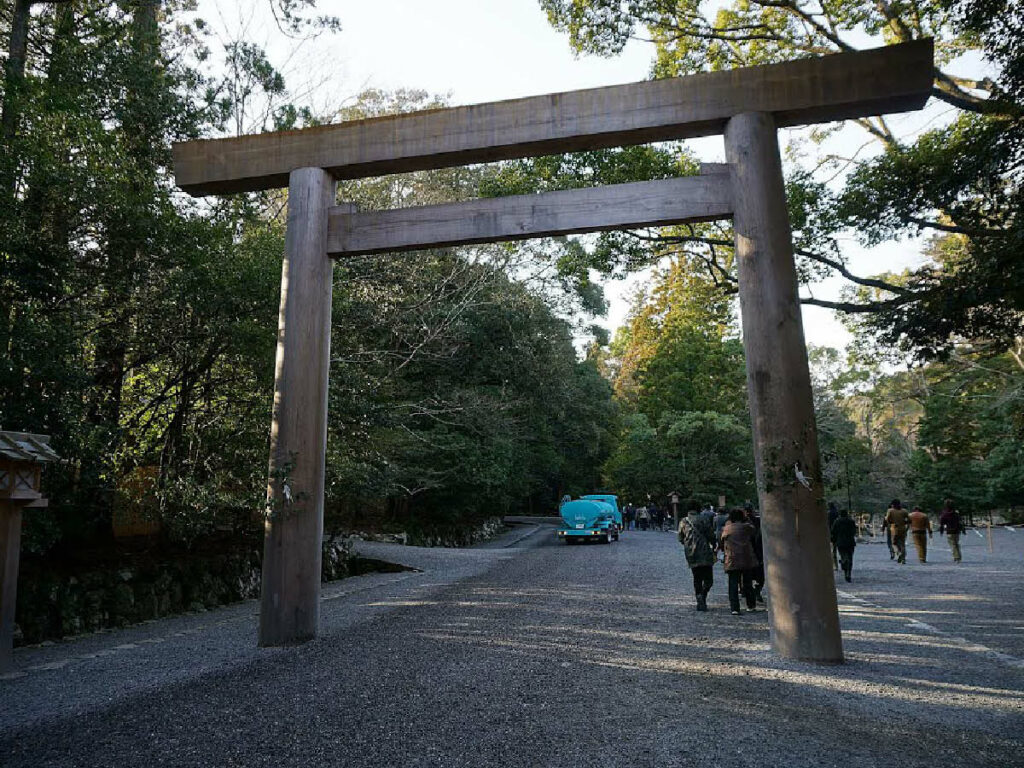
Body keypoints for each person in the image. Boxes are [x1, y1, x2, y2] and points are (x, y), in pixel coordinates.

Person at [678, 499, 716, 611]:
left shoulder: (683, 521)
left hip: (691, 552)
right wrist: (714, 545)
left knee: (697, 577)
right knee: (709, 578)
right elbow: (710, 535)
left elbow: (680, 538)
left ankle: (699, 598)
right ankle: (703, 595)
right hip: (704, 551)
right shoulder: (703, 519)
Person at [720, 508, 759, 615]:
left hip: (732, 558)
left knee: (733, 583)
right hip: (746, 558)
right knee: (747, 583)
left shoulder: (727, 529)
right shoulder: (747, 527)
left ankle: (734, 608)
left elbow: (721, 541)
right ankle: (751, 605)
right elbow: (754, 530)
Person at [744, 503, 765, 603]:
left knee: (747, 574)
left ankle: (749, 592)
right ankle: (757, 590)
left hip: (746, 551)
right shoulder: (758, 521)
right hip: (757, 551)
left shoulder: (741, 522)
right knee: (760, 574)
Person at [830, 508, 858, 582]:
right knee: (850, 557)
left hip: (841, 542)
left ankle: (844, 562)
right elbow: (854, 531)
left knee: (843, 555)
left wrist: (834, 539)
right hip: (850, 542)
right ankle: (848, 573)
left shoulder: (837, 521)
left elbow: (833, 531)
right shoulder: (851, 521)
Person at [885, 500, 910, 564]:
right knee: (902, 544)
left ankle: (899, 553)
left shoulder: (890, 511)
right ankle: (903, 559)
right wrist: (906, 526)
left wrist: (891, 523)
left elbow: (887, 519)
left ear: (893, 504)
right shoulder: (904, 511)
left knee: (894, 543)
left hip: (894, 528)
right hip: (903, 528)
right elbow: (909, 520)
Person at [939, 498, 963, 563]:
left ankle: (956, 557)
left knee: (953, 544)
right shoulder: (956, 513)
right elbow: (960, 522)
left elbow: (942, 523)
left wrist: (941, 531)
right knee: (956, 543)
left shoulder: (944, 514)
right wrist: (962, 530)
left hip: (949, 531)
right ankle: (959, 556)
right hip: (957, 530)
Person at [827, 501, 840, 571]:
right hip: (839, 534)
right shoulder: (837, 513)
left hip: (832, 534)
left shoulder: (828, 513)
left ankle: (835, 565)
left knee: (833, 550)